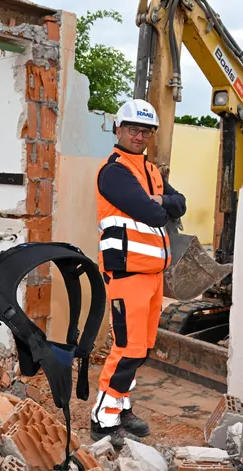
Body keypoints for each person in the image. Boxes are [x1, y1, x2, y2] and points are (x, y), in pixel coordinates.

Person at [90, 99, 187, 446]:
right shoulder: (114, 171)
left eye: (145, 130)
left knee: (142, 348)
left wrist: (160, 201)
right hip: (127, 272)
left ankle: (122, 407)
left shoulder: (152, 171)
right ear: (118, 129)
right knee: (127, 348)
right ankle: (103, 418)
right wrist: (161, 203)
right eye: (132, 128)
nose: (138, 135)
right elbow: (156, 213)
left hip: (152, 274)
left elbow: (181, 203)